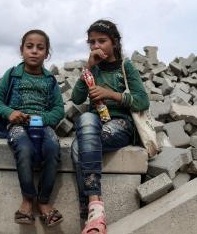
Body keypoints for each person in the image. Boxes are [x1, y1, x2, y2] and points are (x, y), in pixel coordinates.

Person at [71, 20, 150, 234]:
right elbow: (76, 97)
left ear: (114, 43)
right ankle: (96, 209)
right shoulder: (92, 69)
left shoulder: (126, 67)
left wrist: (110, 94)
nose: (96, 46)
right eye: (92, 42)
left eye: (102, 41)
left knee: (79, 147)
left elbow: (143, 101)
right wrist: (88, 68)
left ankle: (88, 209)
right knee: (86, 118)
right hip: (94, 122)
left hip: (121, 124)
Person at [0, 29, 65, 227]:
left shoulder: (50, 80)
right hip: (17, 124)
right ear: (21, 50)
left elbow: (59, 110)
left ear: (47, 54)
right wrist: (10, 113)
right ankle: (27, 200)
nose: (34, 51)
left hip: (42, 124)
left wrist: (42, 118)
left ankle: (43, 201)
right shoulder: (13, 74)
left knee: (52, 148)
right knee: (24, 148)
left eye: (40, 48)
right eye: (29, 46)